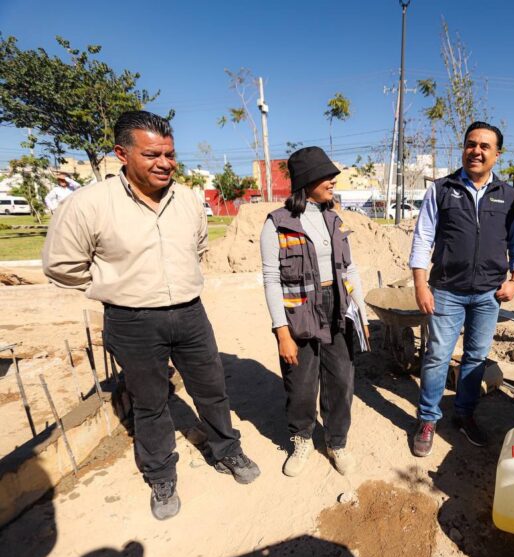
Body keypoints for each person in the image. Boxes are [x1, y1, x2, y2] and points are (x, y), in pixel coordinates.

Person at [42, 110, 259, 521]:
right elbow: (61, 265)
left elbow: (197, 249)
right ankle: (161, 475)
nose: (165, 163)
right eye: (152, 154)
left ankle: (228, 450)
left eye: (170, 154)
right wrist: (114, 285)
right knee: (150, 402)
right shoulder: (89, 205)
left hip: (191, 315)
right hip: (132, 321)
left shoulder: (189, 201)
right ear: (122, 154)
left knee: (212, 389)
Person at [409, 121, 514, 457]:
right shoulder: (441, 189)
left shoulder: (508, 195)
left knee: (476, 358)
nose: (476, 151)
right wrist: (421, 284)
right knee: (436, 356)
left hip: (489, 293)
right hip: (446, 289)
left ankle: (464, 415)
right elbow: (422, 238)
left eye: (484, 146)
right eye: (470, 144)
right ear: (463, 148)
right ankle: (429, 419)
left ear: (497, 154)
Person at [260, 146, 369, 476]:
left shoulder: (333, 218)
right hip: (300, 312)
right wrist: (282, 332)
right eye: (326, 175)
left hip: (337, 306)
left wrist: (361, 314)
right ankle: (302, 438)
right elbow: (271, 279)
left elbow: (349, 269)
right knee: (301, 383)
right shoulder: (277, 224)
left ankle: (336, 442)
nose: (333, 181)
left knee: (341, 379)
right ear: (307, 180)